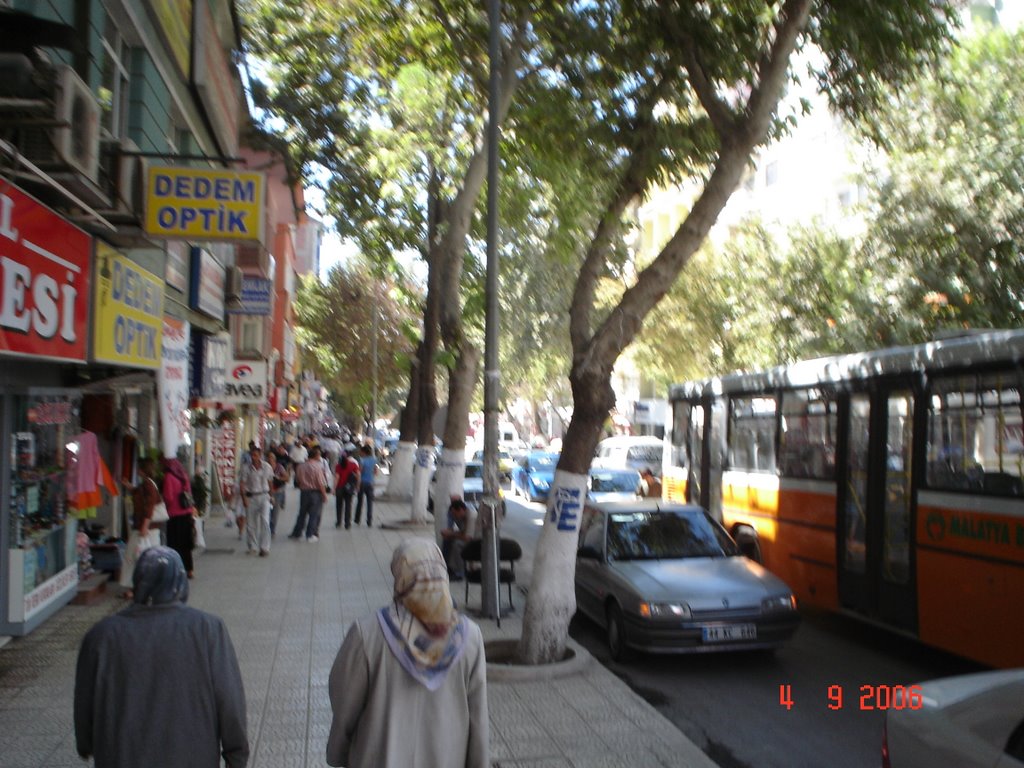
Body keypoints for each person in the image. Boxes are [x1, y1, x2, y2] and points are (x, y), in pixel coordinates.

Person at [74, 547, 249, 768]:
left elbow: (84, 700)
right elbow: (229, 699)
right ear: (181, 582)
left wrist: (86, 743)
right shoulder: (207, 629)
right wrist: (237, 755)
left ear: (137, 581)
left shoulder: (101, 636)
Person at [326, 539, 488, 768]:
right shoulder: (470, 637)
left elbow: (344, 702)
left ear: (400, 578)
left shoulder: (368, 633)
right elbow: (478, 717)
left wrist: (339, 752)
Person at [118, 457, 162, 599]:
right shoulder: (148, 484)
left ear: (142, 471)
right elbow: (139, 494)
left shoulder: (148, 485)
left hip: (145, 528)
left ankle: (133, 588)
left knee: (131, 556)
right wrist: (130, 487)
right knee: (149, 558)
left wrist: (144, 526)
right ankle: (149, 588)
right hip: (150, 528)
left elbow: (149, 507)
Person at [161, 457, 196, 578]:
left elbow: (168, 498)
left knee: (174, 544)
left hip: (175, 516)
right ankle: (189, 569)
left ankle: (176, 569)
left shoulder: (169, 477)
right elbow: (189, 494)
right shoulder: (183, 475)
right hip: (186, 514)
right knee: (186, 543)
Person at [238, 445, 274, 556]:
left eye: (256, 455)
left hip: (264, 496)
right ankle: (252, 546)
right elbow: (242, 484)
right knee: (251, 524)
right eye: (252, 455)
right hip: (251, 497)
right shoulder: (245, 468)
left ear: (260, 456)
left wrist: (272, 496)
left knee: (265, 521)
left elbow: (270, 482)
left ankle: (264, 547)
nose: (254, 457)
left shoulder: (267, 467)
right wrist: (244, 499)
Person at [289, 446, 329, 542]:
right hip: (315, 493)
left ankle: (297, 533)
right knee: (314, 514)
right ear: (316, 456)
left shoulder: (300, 466)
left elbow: (297, 479)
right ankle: (310, 534)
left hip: (304, 492)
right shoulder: (318, 467)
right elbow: (320, 483)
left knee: (302, 513)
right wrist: (324, 495)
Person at [440, 497, 477, 581]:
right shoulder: (462, 515)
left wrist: (452, 534)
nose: (454, 517)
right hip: (469, 537)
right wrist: (449, 534)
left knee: (456, 544)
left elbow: (467, 538)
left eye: (455, 514)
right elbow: (463, 532)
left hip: (477, 541)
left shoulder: (471, 515)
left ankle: (460, 572)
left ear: (460, 510)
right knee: (447, 540)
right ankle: (446, 565)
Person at [334, 445, 360, 529]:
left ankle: (338, 522)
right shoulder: (353, 465)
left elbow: (337, 477)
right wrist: (357, 486)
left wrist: (334, 488)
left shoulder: (338, 466)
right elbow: (358, 476)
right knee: (348, 505)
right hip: (349, 488)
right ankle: (347, 523)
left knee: (339, 505)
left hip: (340, 488)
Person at [353, 443, 378, 527]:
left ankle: (357, 519)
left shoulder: (362, 460)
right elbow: (375, 472)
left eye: (361, 452)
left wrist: (354, 475)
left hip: (362, 482)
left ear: (364, 452)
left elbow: (360, 472)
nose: (360, 453)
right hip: (370, 482)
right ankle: (369, 520)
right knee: (369, 503)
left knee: (360, 501)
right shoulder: (374, 459)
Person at [268, 450, 290, 536]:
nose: (269, 459)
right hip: (267, 492)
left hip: (277, 492)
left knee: (274, 511)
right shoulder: (265, 466)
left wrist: (278, 478)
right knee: (267, 511)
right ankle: (267, 527)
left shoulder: (279, 467)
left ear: (274, 459)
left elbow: (287, 478)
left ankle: (272, 529)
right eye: (268, 457)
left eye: (271, 457)